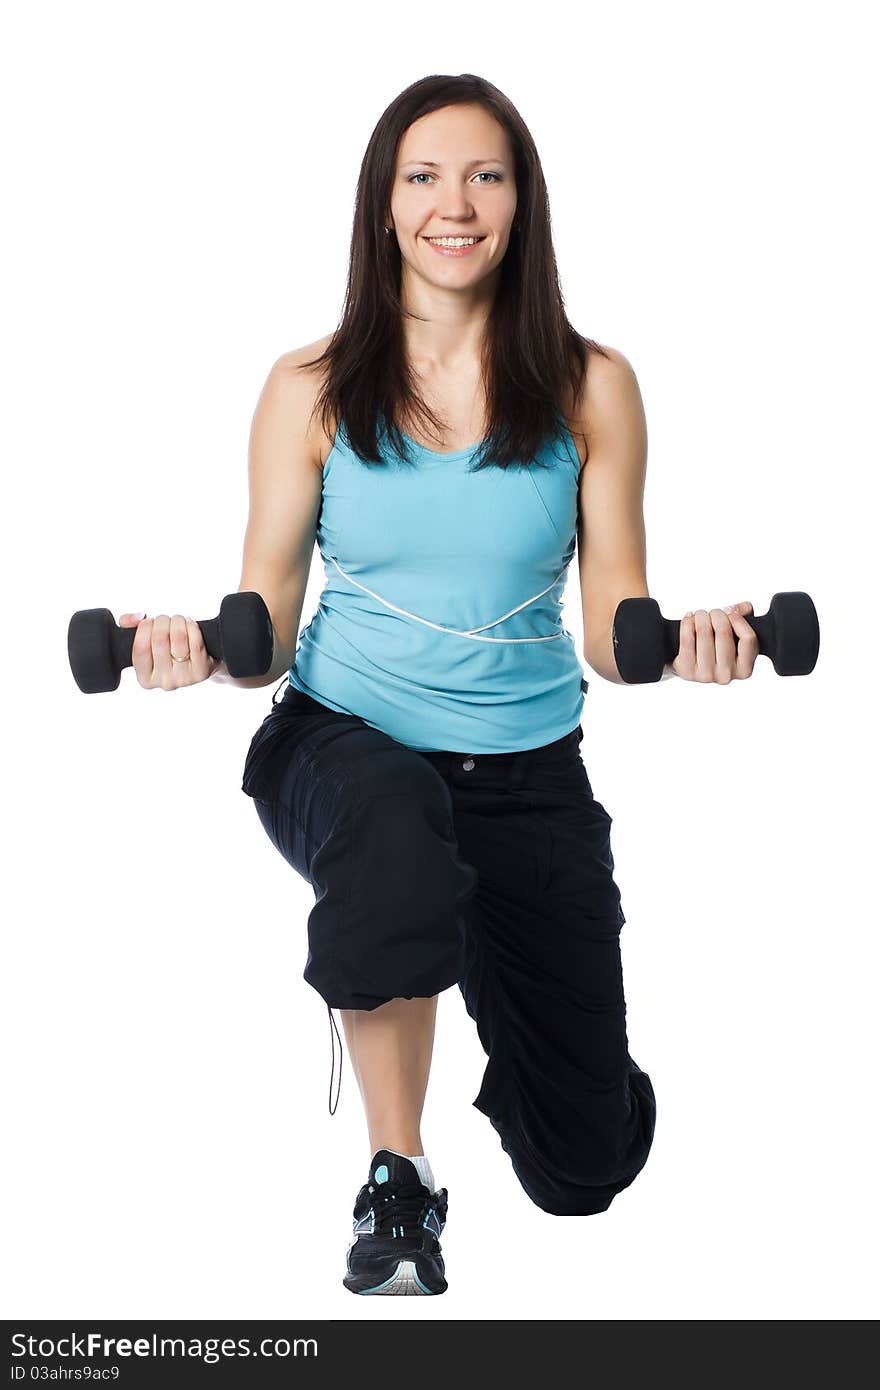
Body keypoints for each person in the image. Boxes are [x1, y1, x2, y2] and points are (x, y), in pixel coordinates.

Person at [122, 74, 758, 1298]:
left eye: (484, 175)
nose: (452, 204)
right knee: (395, 843)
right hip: (341, 741)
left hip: (525, 775)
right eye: (422, 176)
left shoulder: (590, 383)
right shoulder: (309, 385)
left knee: (586, 1169)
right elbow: (261, 624)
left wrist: (692, 642)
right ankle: (397, 1176)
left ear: (522, 205)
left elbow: (612, 628)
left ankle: (491, 970)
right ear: (382, 207)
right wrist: (189, 648)